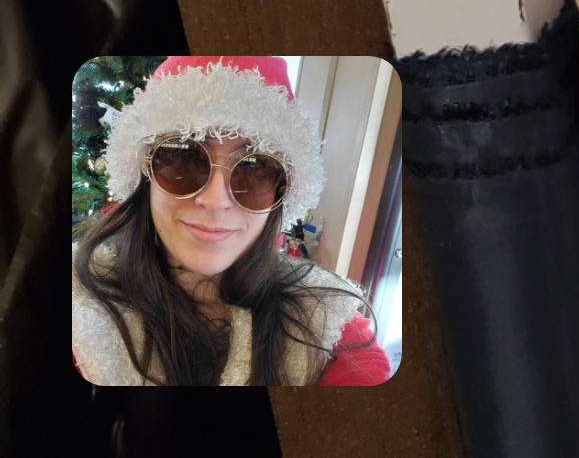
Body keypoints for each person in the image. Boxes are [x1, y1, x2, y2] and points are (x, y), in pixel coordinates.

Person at [71, 56, 391, 386]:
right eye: (184, 155)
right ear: (144, 174)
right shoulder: (76, 310)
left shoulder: (328, 325)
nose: (215, 201)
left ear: (282, 190)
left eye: (255, 167)